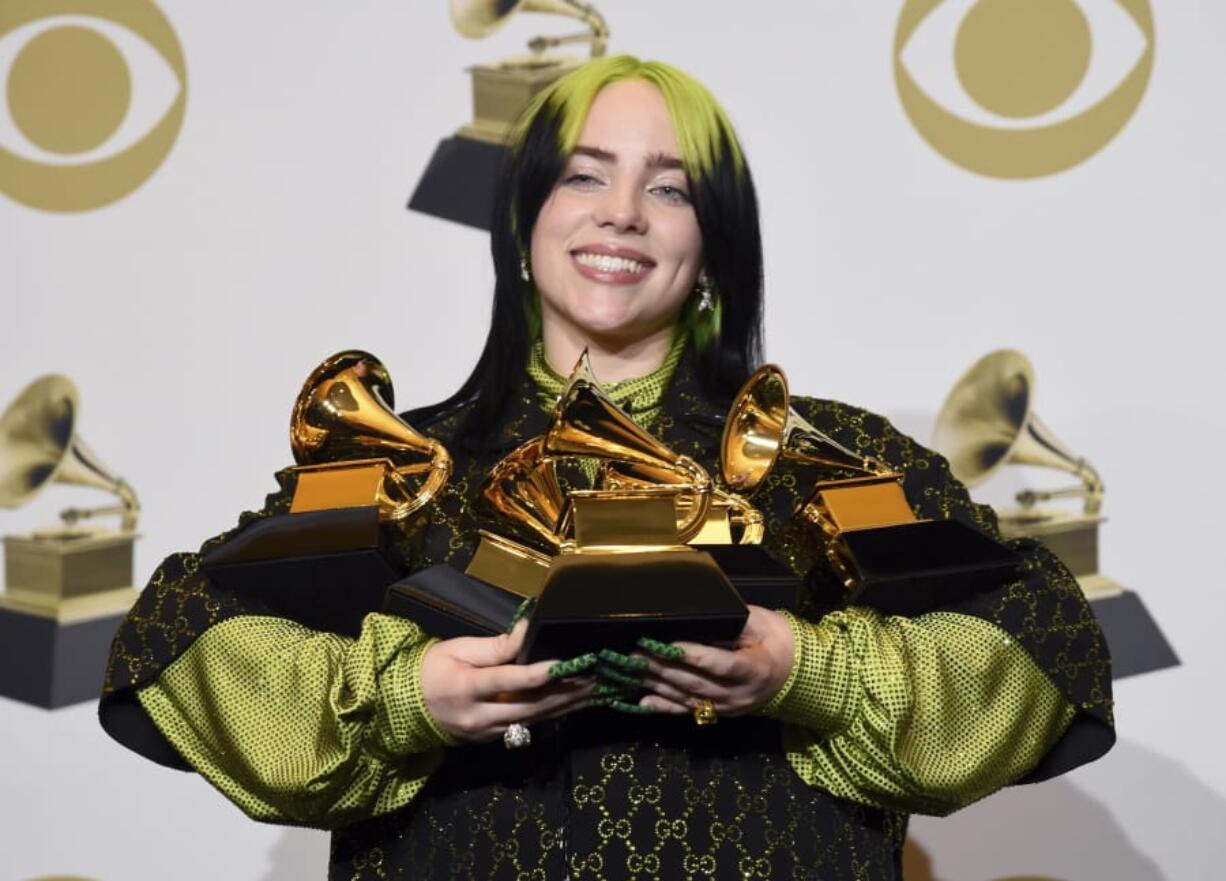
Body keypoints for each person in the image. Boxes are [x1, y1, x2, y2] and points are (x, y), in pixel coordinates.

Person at [99, 56, 1114, 880]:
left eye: (668, 187)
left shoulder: (832, 457)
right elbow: (180, 635)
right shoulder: (393, 464)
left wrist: (802, 670)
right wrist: (409, 694)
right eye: (583, 174)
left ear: (713, 245)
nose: (620, 211)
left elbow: (1039, 644)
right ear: (522, 220)